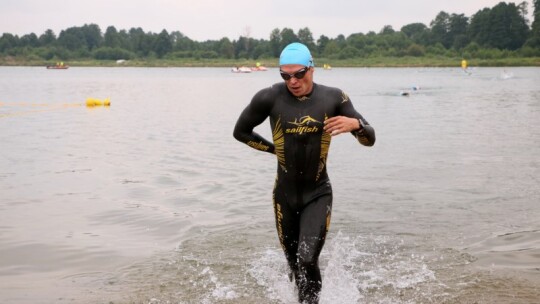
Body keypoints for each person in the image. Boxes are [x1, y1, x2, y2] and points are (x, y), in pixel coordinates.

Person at [233, 42, 375, 303]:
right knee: (293, 264)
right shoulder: (269, 97)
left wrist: (356, 125)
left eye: (299, 74)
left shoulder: (334, 98)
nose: (293, 81)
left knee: (308, 259)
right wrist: (273, 150)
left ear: (312, 68)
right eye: (285, 75)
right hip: (283, 197)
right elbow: (240, 132)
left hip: (318, 194)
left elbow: (370, 140)